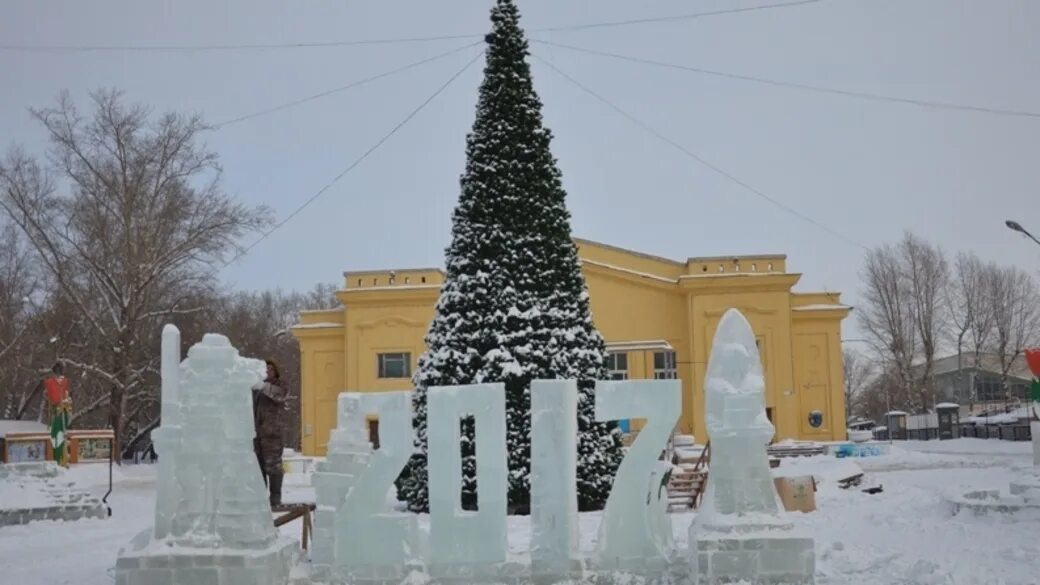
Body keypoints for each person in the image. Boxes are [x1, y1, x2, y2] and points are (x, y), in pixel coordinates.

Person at [252, 360, 289, 507]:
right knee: (257, 468)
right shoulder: (254, 389)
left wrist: (264, 386)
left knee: (273, 467)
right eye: (265, 369)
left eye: (270, 369)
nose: (267, 371)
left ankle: (275, 497)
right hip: (256, 436)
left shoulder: (280, 385)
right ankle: (260, 499)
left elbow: (281, 395)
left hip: (272, 435)